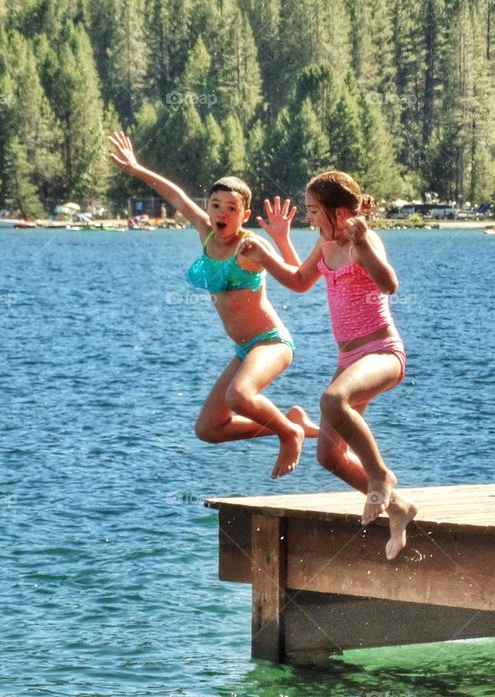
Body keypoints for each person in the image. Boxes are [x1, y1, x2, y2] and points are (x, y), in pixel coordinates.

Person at [108, 131, 318, 478]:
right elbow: (174, 194)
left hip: (271, 342)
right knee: (208, 428)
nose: (221, 213)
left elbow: (298, 279)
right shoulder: (205, 232)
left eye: (231, 208)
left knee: (239, 396)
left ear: (244, 214)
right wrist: (135, 168)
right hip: (244, 349)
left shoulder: (249, 247)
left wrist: (281, 239)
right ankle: (291, 422)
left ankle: (289, 433)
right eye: (215, 205)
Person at [240, 171, 417, 560]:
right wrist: (265, 253)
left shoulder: (361, 242)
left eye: (315, 210)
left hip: (382, 352)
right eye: (308, 210)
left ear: (340, 212)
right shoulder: (324, 243)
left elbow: (389, 285)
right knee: (329, 456)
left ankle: (380, 475)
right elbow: (299, 281)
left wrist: (363, 242)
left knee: (332, 399)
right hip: (349, 357)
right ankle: (400, 509)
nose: (310, 218)